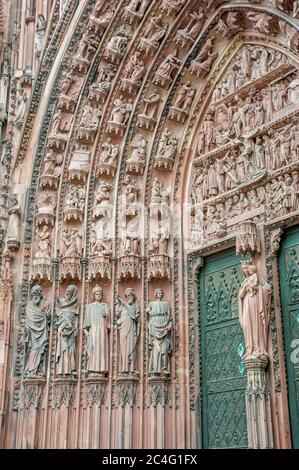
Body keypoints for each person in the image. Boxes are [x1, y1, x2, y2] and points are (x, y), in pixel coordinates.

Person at [238, 262, 271, 360]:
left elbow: (268, 290)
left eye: (246, 268)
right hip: (247, 304)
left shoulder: (257, 278)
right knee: (247, 325)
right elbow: (240, 296)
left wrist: (257, 288)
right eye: (243, 269)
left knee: (256, 323)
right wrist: (244, 287)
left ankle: (258, 349)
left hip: (255, 303)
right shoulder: (244, 282)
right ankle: (249, 350)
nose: (245, 270)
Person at [24, 285, 50, 376]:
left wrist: (46, 312)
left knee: (39, 350)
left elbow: (46, 316)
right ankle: (31, 370)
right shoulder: (30, 306)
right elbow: (32, 318)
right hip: (34, 334)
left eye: (38, 294)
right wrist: (43, 314)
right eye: (36, 295)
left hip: (41, 332)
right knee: (34, 350)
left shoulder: (38, 305)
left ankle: (37, 370)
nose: (38, 298)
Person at [84, 285, 110, 374]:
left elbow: (109, 320)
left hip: (102, 331)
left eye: (100, 294)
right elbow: (86, 324)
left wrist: (106, 315)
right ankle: (92, 368)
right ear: (94, 295)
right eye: (97, 294)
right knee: (93, 348)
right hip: (93, 331)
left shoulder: (105, 305)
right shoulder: (90, 307)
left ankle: (101, 369)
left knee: (102, 349)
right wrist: (87, 333)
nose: (98, 296)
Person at [55, 285, 79, 375]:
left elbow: (76, 318)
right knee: (62, 349)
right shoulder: (61, 302)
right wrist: (57, 302)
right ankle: (61, 370)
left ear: (73, 293)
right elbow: (58, 312)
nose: (68, 293)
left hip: (71, 329)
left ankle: (71, 369)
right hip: (62, 329)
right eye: (67, 290)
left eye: (70, 291)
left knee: (71, 349)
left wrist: (76, 328)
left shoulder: (76, 303)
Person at [147, 288, 172, 374]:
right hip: (155, 326)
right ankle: (155, 368)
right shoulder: (152, 304)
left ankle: (164, 367)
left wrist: (169, 326)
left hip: (164, 326)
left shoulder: (166, 304)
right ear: (156, 294)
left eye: (161, 293)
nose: (160, 294)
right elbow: (148, 316)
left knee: (164, 349)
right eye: (159, 293)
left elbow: (170, 318)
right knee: (156, 349)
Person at [115, 288, 140, 373]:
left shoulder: (135, 305)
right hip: (123, 328)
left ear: (133, 296)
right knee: (124, 347)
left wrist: (123, 302)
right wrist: (118, 303)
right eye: (127, 295)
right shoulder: (122, 305)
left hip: (132, 328)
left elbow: (135, 316)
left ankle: (132, 368)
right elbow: (116, 314)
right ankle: (124, 368)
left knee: (132, 347)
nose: (129, 297)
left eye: (130, 295)